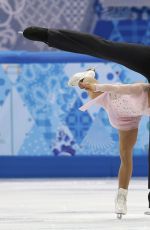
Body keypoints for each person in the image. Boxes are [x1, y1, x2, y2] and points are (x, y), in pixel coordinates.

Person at [22, 26, 150, 217]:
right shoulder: (141, 88)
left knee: (125, 151)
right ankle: (52, 37)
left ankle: (87, 77)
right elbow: (120, 88)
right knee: (107, 48)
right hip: (124, 97)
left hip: (127, 112)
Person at [69, 68, 150, 218]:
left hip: (129, 119)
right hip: (114, 98)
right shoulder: (141, 88)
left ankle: (121, 198)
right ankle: (89, 75)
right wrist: (96, 87)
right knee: (92, 90)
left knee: (126, 155)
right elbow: (117, 88)